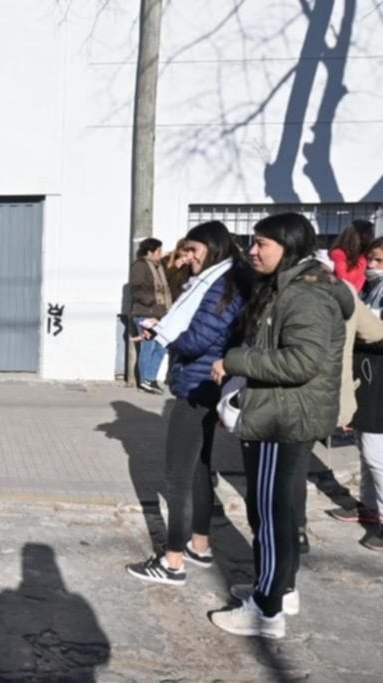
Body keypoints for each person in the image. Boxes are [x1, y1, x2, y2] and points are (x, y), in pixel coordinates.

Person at [210, 212, 352, 639]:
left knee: (269, 515)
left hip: (281, 416)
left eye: (261, 244)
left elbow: (301, 361)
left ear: (288, 247)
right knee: (280, 514)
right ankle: (280, 588)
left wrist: (234, 360)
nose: (252, 251)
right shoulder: (293, 286)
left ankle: (266, 611)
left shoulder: (305, 295)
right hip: (284, 411)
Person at [126, 222, 249, 586]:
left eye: (193, 250)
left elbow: (198, 338)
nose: (187, 257)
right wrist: (162, 328)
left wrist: (165, 336)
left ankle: (172, 562)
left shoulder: (222, 283)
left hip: (198, 386)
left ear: (212, 248)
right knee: (198, 468)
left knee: (177, 474)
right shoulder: (217, 280)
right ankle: (200, 544)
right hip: (203, 383)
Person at [332, 238, 383, 550]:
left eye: (379, 261)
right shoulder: (370, 287)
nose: (373, 267)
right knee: (364, 447)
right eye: (372, 260)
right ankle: (368, 506)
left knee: (377, 453)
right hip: (367, 375)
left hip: (380, 380)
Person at [130, 237, 171, 394]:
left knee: (161, 346)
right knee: (148, 346)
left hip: (159, 313)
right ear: (150, 251)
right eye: (158, 250)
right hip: (145, 313)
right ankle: (145, 381)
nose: (160, 253)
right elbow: (137, 289)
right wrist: (152, 301)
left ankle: (151, 378)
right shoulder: (140, 266)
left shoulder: (158, 266)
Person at [328, 219, 374, 291]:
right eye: (368, 233)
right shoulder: (339, 253)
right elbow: (346, 283)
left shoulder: (366, 254)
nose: (371, 237)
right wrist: (363, 266)